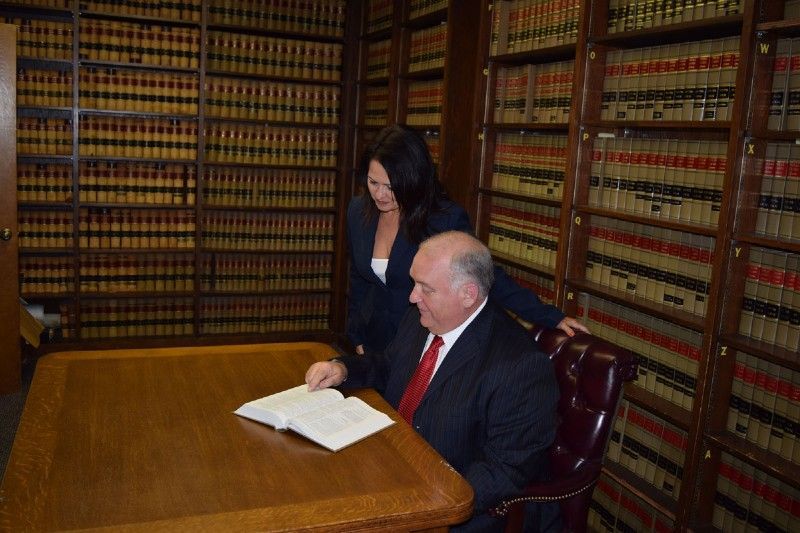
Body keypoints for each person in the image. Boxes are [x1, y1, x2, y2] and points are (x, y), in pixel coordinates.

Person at [307, 231, 559, 531]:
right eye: (415, 283)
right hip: (392, 464)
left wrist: (422, 505)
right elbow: (390, 367)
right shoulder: (422, 318)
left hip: (453, 509)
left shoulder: (520, 366)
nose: (412, 297)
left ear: (468, 294)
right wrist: (344, 370)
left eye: (426, 288)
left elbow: (503, 470)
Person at [346, 123, 587, 354]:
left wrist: (549, 316)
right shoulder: (359, 211)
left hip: (422, 339)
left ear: (413, 180)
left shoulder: (443, 219)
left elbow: (484, 276)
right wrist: (356, 335)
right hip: (373, 340)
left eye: (390, 186)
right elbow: (359, 281)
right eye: (373, 182)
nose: (379, 194)